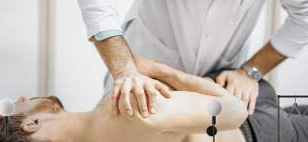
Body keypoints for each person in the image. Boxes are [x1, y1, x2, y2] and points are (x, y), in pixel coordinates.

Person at [0, 56, 308, 142]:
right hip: (257, 128)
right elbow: (233, 112)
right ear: (31, 125)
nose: (20, 99)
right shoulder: (132, 115)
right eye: (17, 107)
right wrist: (157, 70)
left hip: (232, 104)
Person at [77, 0, 308, 117]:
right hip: (140, 71)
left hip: (219, 82)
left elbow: (304, 14)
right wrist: (125, 69)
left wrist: (251, 70)